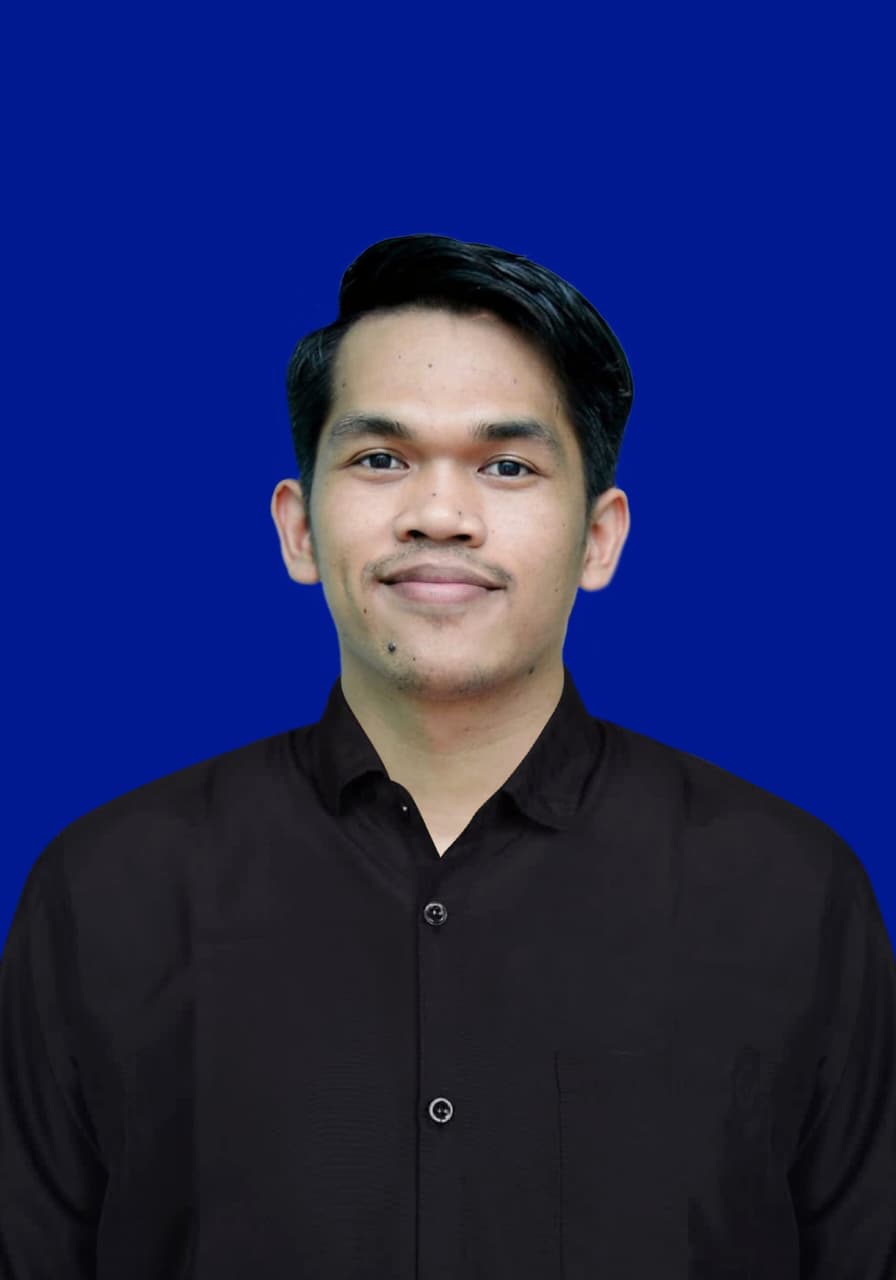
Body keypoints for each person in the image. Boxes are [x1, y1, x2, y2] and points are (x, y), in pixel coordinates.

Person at [1, 233, 893, 1278]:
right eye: (380, 458)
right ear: (297, 527)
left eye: (506, 465)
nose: (438, 516)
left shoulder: (790, 893)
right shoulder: (106, 890)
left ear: (599, 538)